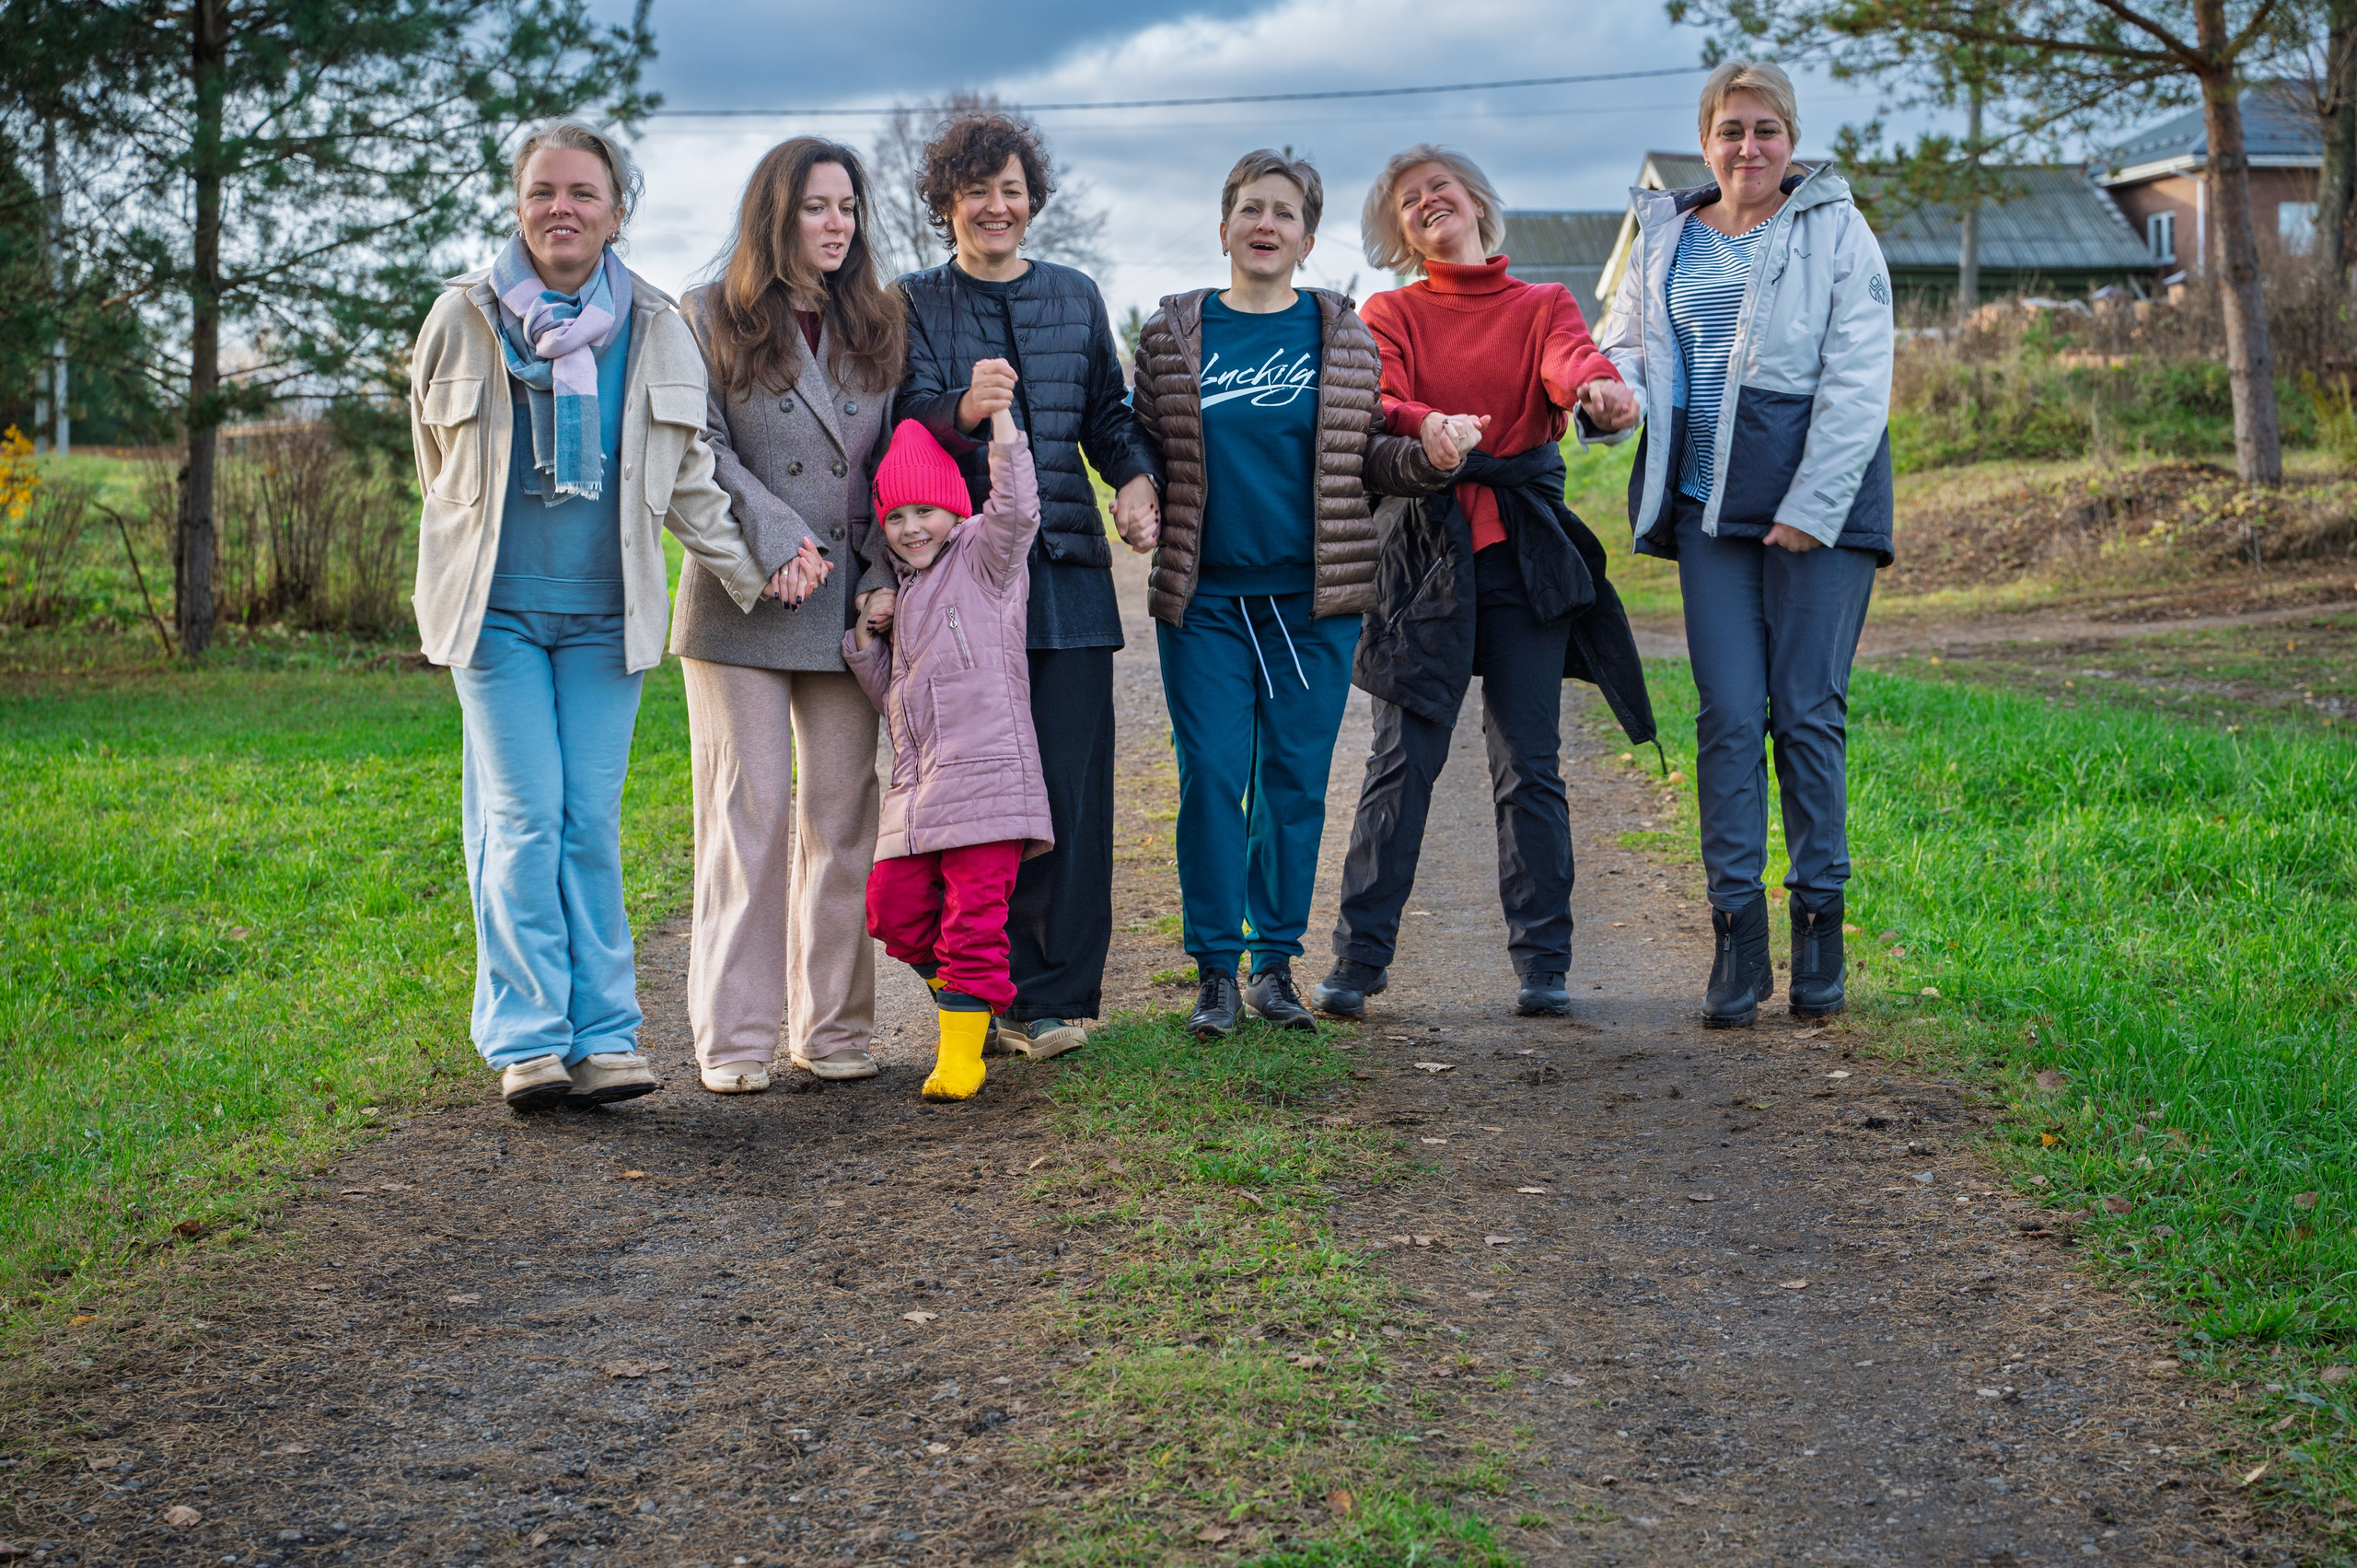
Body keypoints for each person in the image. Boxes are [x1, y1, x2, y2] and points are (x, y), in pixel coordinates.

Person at [409, 120, 775, 1110]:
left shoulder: (658, 325)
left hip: (609, 619)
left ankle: (607, 1034)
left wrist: (754, 571)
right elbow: (436, 470)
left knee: (586, 823)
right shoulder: (463, 316)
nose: (560, 208)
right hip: (495, 619)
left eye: (581, 192)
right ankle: (531, 1039)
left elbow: (689, 477)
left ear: (618, 210)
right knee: (524, 817)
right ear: (518, 204)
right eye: (542, 191)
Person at [1309, 144, 1656, 1024]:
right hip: (1425, 554)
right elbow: (1381, 397)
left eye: (1441, 189)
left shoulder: (1542, 303)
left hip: (1519, 557)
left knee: (1529, 763)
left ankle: (1545, 961)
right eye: (1409, 200)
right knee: (1402, 759)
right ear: (1397, 230)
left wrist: (1603, 392)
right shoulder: (1389, 311)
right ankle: (1358, 958)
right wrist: (1433, 426)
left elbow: (1570, 361)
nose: (1428, 202)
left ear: (1476, 203)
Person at [1593, 61, 1895, 1028]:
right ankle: (1734, 934)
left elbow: (1858, 381)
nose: (1748, 147)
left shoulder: (1837, 230)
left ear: (1790, 141)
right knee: (1727, 715)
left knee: (1804, 711)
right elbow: (1632, 344)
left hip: (1820, 511)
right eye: (1730, 130)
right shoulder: (1665, 236)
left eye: (1765, 130)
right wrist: (1608, 393)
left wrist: (1813, 501)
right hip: (1708, 509)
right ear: (1705, 139)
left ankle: (1819, 927)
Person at [1131, 149, 1455, 1039]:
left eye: (1284, 213)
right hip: (1207, 606)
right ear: (1225, 226)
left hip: (1314, 605)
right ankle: (1215, 972)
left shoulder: (1343, 337)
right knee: (1212, 780)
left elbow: (1368, 460)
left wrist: (1424, 461)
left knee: (1294, 784)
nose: (1265, 225)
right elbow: (1141, 444)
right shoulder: (1174, 337)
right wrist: (1135, 484)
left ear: (1308, 238)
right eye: (1250, 210)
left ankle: (1275, 964)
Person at [895, 110, 1162, 1061]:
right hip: (968, 583)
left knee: (1071, 788)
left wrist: (1135, 478)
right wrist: (963, 406)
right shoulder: (915, 301)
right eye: (977, 191)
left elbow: (1108, 414)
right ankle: (977, 975)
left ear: (1032, 200)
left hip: (1073, 577)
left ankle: (1050, 998)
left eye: (1011, 189)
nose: (996, 206)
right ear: (945, 204)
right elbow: (910, 417)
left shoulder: (1075, 295)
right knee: (978, 797)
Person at [676, 138, 908, 1091]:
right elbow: (697, 444)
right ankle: (734, 1038)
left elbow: (906, 457)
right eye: (817, 206)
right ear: (776, 214)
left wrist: (883, 567)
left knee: (842, 813)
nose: (837, 224)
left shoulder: (881, 322)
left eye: (848, 206)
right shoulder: (707, 315)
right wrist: (772, 537)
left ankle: (837, 1027)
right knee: (751, 810)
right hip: (741, 596)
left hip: (848, 599)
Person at [842, 396, 1047, 1102]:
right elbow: (899, 701)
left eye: (924, 511)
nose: (909, 528)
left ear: (956, 510)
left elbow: (1019, 507)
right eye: (895, 517)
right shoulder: (903, 592)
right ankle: (970, 1004)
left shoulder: (988, 561)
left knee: (972, 922)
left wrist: (1000, 426)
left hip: (988, 785)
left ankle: (961, 1055)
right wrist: (869, 646)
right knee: (890, 909)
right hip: (920, 792)